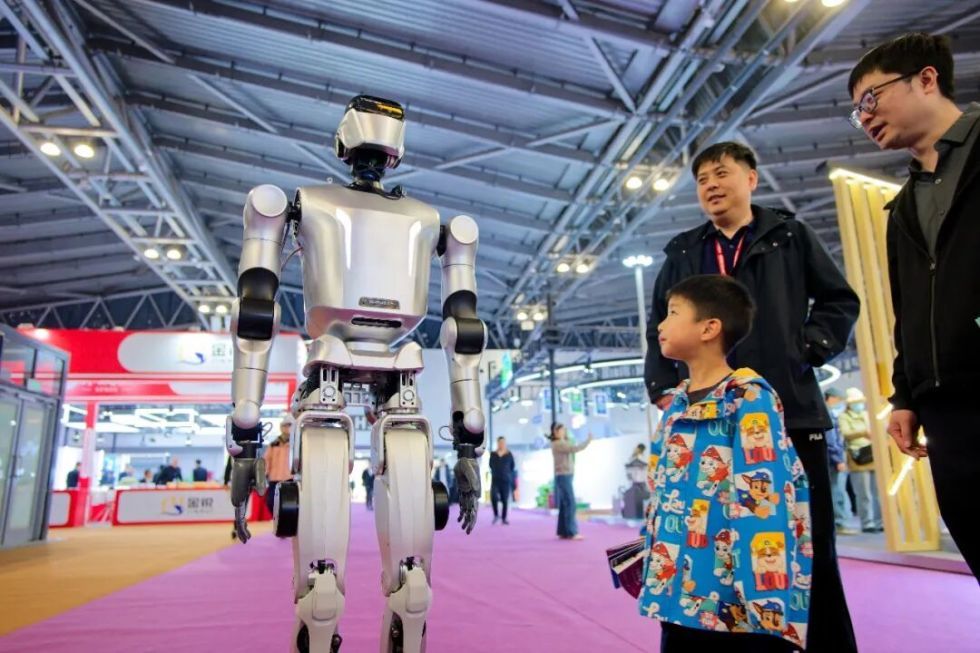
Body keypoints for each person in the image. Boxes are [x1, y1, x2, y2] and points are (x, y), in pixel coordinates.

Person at [645, 141, 860, 652]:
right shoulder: (683, 250)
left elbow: (839, 299)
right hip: (709, 424)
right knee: (701, 546)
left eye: (721, 174)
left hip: (791, 413)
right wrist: (663, 389)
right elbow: (658, 325)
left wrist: (804, 350)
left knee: (808, 550)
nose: (711, 186)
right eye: (701, 180)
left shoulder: (790, 236)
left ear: (751, 179)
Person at [848, 32, 980, 578]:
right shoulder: (902, 207)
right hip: (946, 413)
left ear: (927, 79)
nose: (864, 116)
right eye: (857, 111)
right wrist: (904, 393)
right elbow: (908, 310)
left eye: (870, 98)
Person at [640, 274, 811, 652]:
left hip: (735, 607)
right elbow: (660, 493)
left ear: (709, 328)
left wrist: (765, 600)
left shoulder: (748, 398)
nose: (660, 326)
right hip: (677, 597)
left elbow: (764, 501)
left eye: (673, 313)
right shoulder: (676, 404)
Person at [838, 389, 883, 533]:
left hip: (873, 454)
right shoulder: (843, 417)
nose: (858, 404)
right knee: (863, 493)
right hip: (857, 458)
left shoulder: (866, 414)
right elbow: (845, 433)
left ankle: (880, 521)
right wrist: (864, 432)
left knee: (878, 492)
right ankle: (867, 522)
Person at [549, 423, 591, 540]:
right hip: (563, 475)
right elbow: (574, 448)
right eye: (561, 430)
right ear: (556, 432)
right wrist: (588, 441)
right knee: (570, 503)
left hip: (564, 475)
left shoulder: (561, 442)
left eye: (564, 430)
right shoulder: (558, 443)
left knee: (565, 504)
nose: (564, 432)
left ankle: (563, 531)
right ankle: (572, 532)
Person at [824, 388, 856, 535]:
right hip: (834, 460)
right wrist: (838, 459)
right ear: (832, 398)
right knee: (838, 492)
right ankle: (840, 523)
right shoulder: (827, 414)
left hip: (835, 457)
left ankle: (842, 522)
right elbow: (831, 440)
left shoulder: (829, 413)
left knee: (839, 491)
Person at [263, 414, 294, 514]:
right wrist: (264, 474)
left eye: (289, 425)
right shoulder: (274, 444)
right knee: (271, 502)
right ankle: (277, 519)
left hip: (289, 479)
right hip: (274, 479)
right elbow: (267, 460)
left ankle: (286, 521)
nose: (287, 428)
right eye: (285, 425)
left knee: (289, 504)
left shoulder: (296, 444)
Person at [489, 436, 516, 524]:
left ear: (505, 444)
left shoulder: (509, 454)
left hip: (505, 480)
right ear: (498, 443)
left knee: (505, 499)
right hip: (495, 480)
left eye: (503, 443)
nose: (502, 444)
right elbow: (490, 465)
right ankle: (496, 515)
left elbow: (512, 466)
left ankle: (504, 518)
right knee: (493, 497)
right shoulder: (493, 454)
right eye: (500, 443)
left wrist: (507, 474)